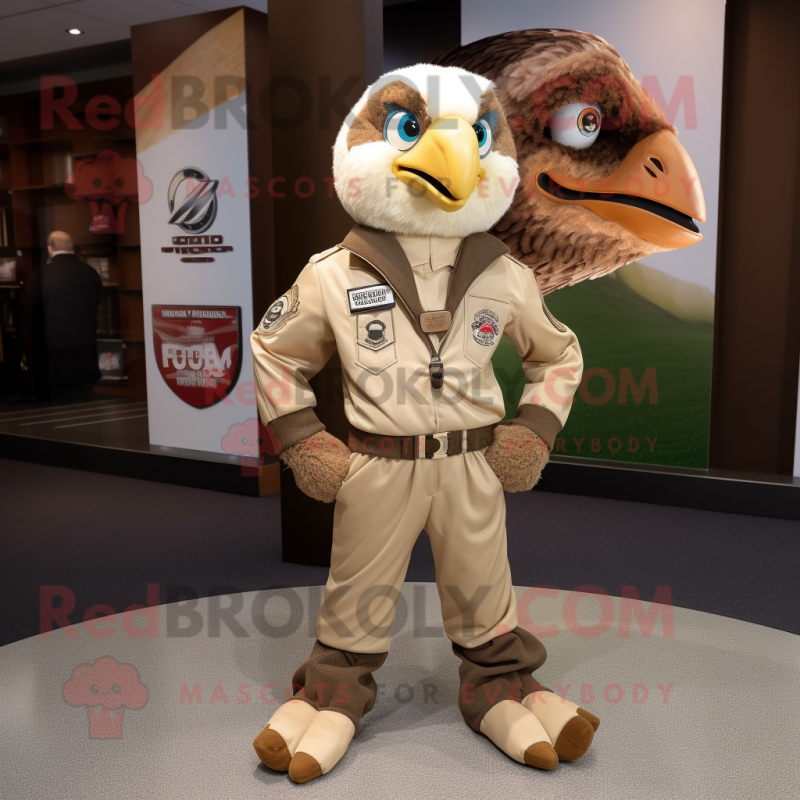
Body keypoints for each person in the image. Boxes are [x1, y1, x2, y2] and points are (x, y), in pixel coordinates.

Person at [40, 231, 102, 403]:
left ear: (50, 248)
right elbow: (97, 302)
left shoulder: (44, 274)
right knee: (86, 399)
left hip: (56, 348)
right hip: (86, 344)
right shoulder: (90, 273)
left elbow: (35, 311)